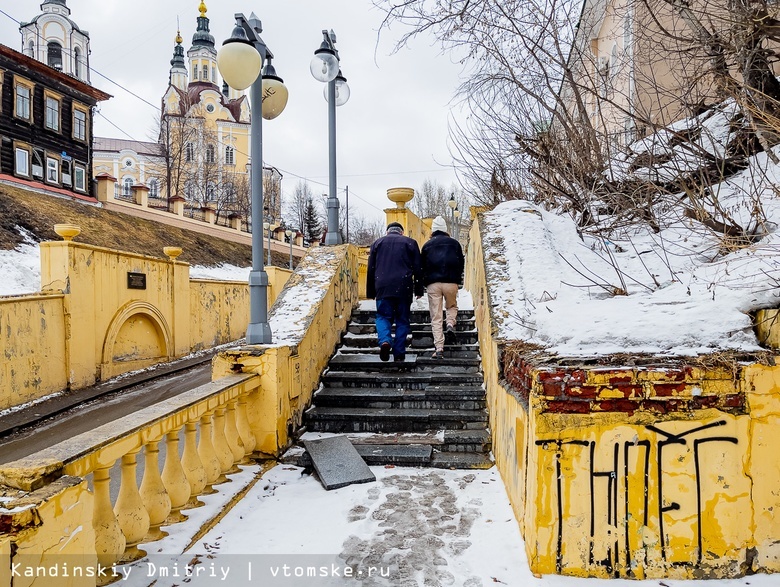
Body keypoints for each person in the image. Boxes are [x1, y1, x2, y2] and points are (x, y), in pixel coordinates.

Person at [366, 222, 423, 362]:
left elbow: (371, 268)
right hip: (404, 287)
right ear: (401, 232)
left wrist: (371, 291)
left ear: (387, 232)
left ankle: (385, 341)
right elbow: (418, 267)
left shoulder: (377, 243)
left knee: (382, 317)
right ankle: (399, 353)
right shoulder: (410, 243)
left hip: (383, 286)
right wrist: (419, 288)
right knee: (402, 320)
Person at [421, 215, 465, 359]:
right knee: (451, 306)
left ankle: (439, 348)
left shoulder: (427, 246)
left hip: (433, 284)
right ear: (445, 230)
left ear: (433, 230)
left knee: (436, 316)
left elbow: (422, 266)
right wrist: (457, 279)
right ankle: (451, 324)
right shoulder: (455, 244)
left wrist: (424, 282)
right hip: (451, 282)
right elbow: (461, 263)